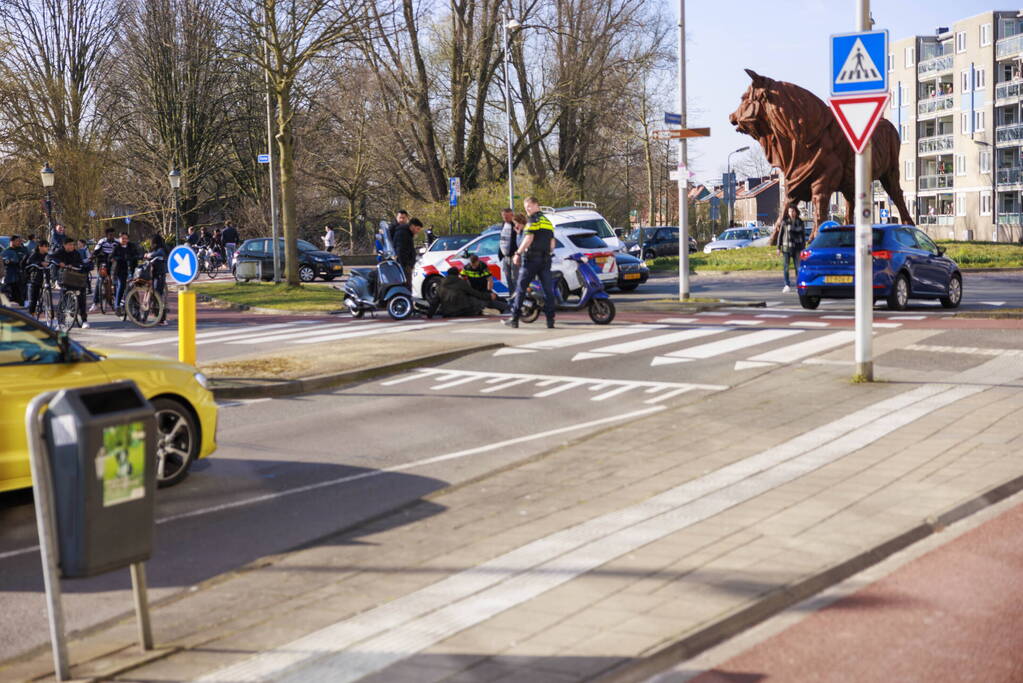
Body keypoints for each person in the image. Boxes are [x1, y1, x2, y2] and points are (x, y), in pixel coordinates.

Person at [506, 196, 557, 328]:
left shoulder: (532, 221)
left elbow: (528, 238)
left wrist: (518, 253)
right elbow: (552, 242)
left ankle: (515, 318)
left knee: (521, 288)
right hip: (546, 259)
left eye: (529, 206)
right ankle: (550, 320)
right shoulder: (547, 221)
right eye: (526, 207)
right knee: (548, 290)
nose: (527, 210)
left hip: (531, 260)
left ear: (536, 205)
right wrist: (549, 253)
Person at [50, 237, 90, 328]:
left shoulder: (76, 253)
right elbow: (50, 257)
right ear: (64, 245)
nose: (72, 246)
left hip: (75, 277)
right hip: (64, 277)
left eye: (73, 244)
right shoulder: (60, 252)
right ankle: (60, 322)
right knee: (63, 298)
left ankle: (84, 320)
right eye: (70, 245)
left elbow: (81, 263)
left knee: (82, 296)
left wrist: (77, 266)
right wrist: (60, 262)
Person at [776, 206, 806, 293]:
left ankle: (798, 285)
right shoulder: (785, 222)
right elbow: (780, 235)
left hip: (798, 248)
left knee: (798, 267)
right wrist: (778, 247)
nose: (791, 213)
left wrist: (804, 248)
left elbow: (803, 236)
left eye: (793, 211)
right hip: (787, 247)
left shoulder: (800, 222)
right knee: (786, 267)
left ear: (796, 212)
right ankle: (787, 285)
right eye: (789, 211)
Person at [111, 231, 140, 312]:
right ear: (119, 239)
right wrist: (118, 258)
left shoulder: (132, 246)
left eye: (126, 239)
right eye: (123, 238)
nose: (124, 240)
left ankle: (136, 305)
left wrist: (137, 257)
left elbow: (137, 254)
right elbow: (111, 257)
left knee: (134, 286)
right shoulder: (116, 247)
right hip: (120, 270)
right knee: (121, 286)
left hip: (132, 269)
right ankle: (117, 305)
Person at [90, 227, 117, 312]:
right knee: (99, 280)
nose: (111, 236)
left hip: (112, 263)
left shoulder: (117, 242)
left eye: (113, 235)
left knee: (115, 279)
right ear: (106, 235)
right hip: (102, 262)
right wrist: (93, 256)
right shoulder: (102, 241)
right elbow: (96, 251)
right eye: (110, 235)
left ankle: (117, 299)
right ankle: (95, 303)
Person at [146, 234, 169, 325]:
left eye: (153, 242)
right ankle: (158, 316)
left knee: (158, 296)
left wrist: (149, 255)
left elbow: (158, 254)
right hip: (155, 276)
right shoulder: (155, 250)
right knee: (155, 296)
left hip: (159, 276)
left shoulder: (161, 250)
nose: (152, 244)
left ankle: (162, 318)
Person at [24, 240, 50, 319]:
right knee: (33, 298)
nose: (47, 248)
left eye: (47, 246)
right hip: (35, 277)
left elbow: (51, 260)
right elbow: (29, 261)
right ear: (40, 247)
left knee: (46, 293)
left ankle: (44, 310)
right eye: (45, 246)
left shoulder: (47, 255)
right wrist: (40, 263)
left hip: (44, 277)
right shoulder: (34, 253)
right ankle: (31, 315)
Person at [1, 235, 29, 305]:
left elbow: (28, 259)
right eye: (18, 241)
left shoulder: (23, 250)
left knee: (20, 298)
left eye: (20, 241)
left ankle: (21, 313)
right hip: (9, 278)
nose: (20, 242)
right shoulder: (5, 252)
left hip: (20, 278)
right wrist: (7, 261)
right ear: (12, 241)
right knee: (8, 300)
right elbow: (2, 262)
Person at [393, 217, 421, 282]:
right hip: (405, 267)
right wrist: (406, 266)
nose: (417, 231)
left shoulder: (407, 233)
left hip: (406, 265)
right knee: (406, 285)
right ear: (412, 226)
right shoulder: (403, 234)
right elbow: (400, 251)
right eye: (417, 229)